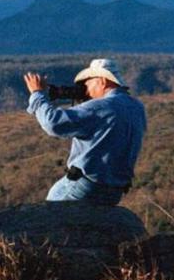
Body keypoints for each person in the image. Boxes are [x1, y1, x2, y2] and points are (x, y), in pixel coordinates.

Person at [23, 58, 147, 206]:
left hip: (86, 186)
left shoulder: (101, 107)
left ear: (102, 81)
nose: (85, 89)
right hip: (115, 192)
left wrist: (37, 94)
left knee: (49, 213)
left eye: (87, 83)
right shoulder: (137, 107)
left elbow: (53, 123)